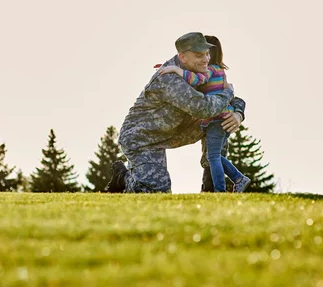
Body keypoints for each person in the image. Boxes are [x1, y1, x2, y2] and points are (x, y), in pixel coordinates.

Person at [105, 32, 245, 193]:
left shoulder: (199, 71)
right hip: (142, 138)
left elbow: (222, 100)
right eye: (199, 55)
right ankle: (122, 177)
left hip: (175, 130)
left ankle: (211, 185)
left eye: (207, 54)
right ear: (183, 57)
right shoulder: (169, 78)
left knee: (221, 120)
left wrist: (238, 114)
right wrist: (228, 92)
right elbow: (204, 107)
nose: (206, 59)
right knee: (155, 192)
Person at [157, 35, 250, 193]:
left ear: (209, 53)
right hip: (220, 121)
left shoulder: (209, 71)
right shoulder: (220, 72)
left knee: (212, 157)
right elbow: (228, 91)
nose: (202, 55)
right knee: (214, 155)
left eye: (203, 52)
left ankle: (221, 190)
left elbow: (195, 80)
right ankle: (238, 178)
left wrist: (175, 70)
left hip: (216, 120)